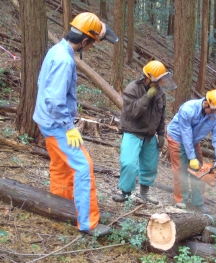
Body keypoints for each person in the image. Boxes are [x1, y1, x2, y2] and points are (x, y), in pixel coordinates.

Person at [33, 12, 118, 237]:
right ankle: (88, 223)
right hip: (55, 123)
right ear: (85, 41)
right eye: (93, 44)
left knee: (61, 167)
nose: (91, 47)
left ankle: (60, 207)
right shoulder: (64, 59)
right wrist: (68, 126)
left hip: (46, 120)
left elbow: (42, 83)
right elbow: (54, 98)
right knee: (83, 166)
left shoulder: (57, 50)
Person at [112, 60, 177, 204]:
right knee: (128, 163)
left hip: (149, 134)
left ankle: (144, 192)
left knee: (150, 165)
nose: (160, 83)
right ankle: (125, 192)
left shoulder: (160, 94)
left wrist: (161, 134)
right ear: (148, 77)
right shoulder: (132, 89)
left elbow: (161, 115)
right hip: (132, 131)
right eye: (158, 80)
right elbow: (134, 112)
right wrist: (148, 96)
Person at [167, 89, 216, 213]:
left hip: (194, 140)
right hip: (177, 137)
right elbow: (186, 134)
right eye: (214, 110)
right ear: (206, 103)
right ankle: (181, 201)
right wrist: (191, 157)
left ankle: (198, 201)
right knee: (181, 169)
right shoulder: (188, 109)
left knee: (200, 171)